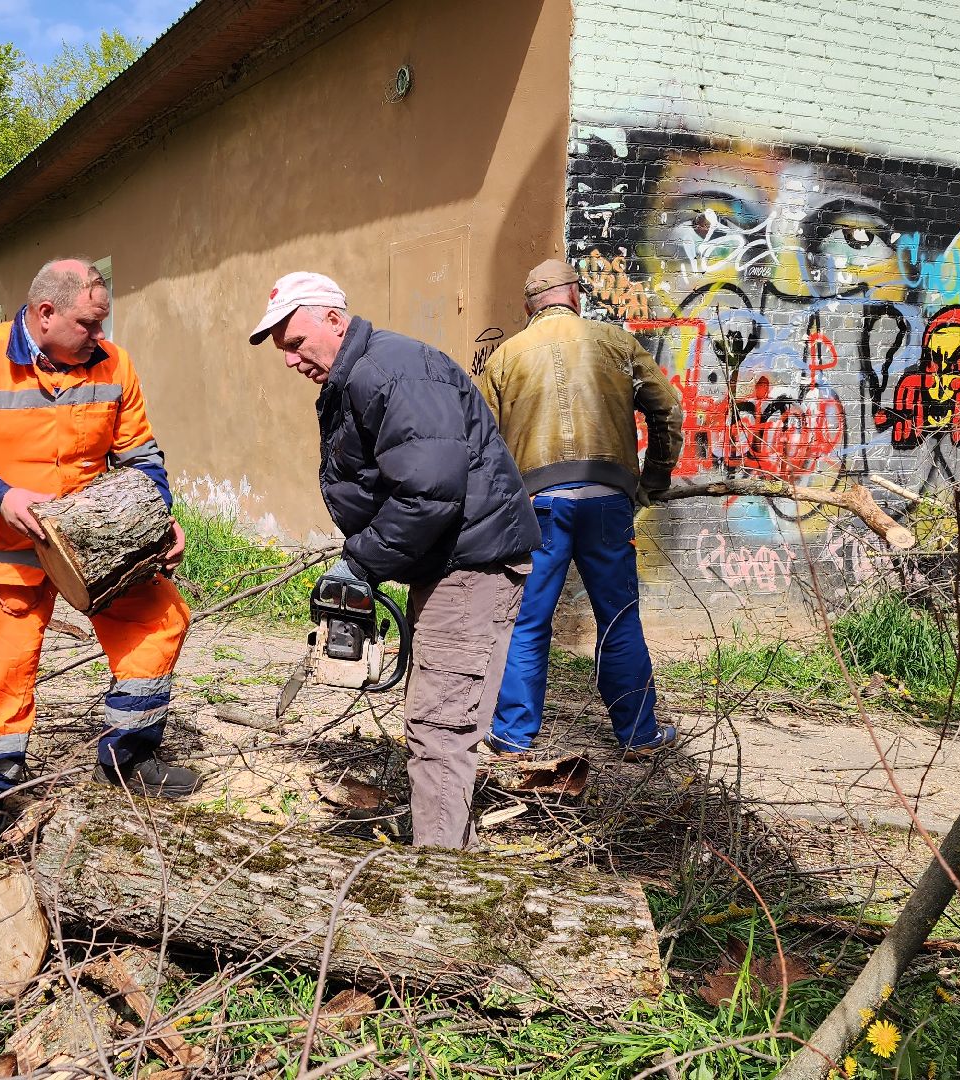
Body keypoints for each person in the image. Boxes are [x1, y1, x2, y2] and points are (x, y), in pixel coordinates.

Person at [0, 258, 199, 847]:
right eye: (89, 324)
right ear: (45, 314)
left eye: (103, 324)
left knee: (160, 622)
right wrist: (2, 495)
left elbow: (141, 455)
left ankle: (127, 758)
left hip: (97, 548)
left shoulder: (113, 364)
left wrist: (158, 518)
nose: (100, 337)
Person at [250, 272, 539, 850]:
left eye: (293, 340)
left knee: (438, 726)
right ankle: (454, 853)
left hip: (470, 566)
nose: (289, 358)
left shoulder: (389, 370)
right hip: (453, 560)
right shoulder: (364, 372)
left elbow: (429, 490)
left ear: (334, 318)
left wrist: (362, 560)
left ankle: (434, 886)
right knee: (442, 719)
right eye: (281, 347)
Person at [476, 260, 685, 760]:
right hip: (608, 500)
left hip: (538, 505)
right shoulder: (616, 342)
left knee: (527, 622)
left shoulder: (505, 357)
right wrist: (653, 478)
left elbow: (481, 441)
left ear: (530, 307)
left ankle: (512, 737)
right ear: (574, 295)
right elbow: (668, 409)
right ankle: (638, 734)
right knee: (618, 617)